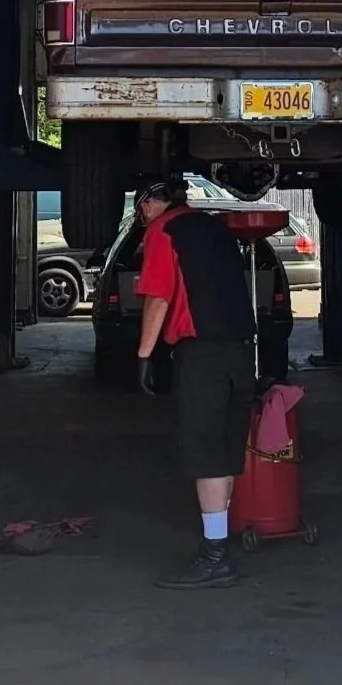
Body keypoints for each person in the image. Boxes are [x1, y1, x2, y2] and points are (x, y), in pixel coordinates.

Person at [133, 178, 258, 589]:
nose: (142, 216)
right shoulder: (214, 227)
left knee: (205, 455)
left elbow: (158, 296)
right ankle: (219, 543)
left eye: (141, 209)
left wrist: (144, 355)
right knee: (223, 452)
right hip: (241, 353)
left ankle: (215, 556)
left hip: (203, 356)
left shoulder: (163, 230)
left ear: (150, 204)